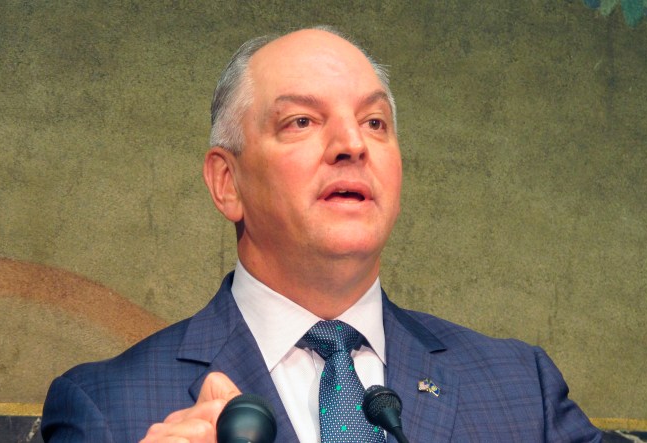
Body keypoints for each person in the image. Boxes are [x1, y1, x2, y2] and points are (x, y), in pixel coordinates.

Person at [41, 27, 602, 442]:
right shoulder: (106, 410)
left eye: (374, 123)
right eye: (302, 122)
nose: (352, 145)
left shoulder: (519, 390)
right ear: (227, 182)